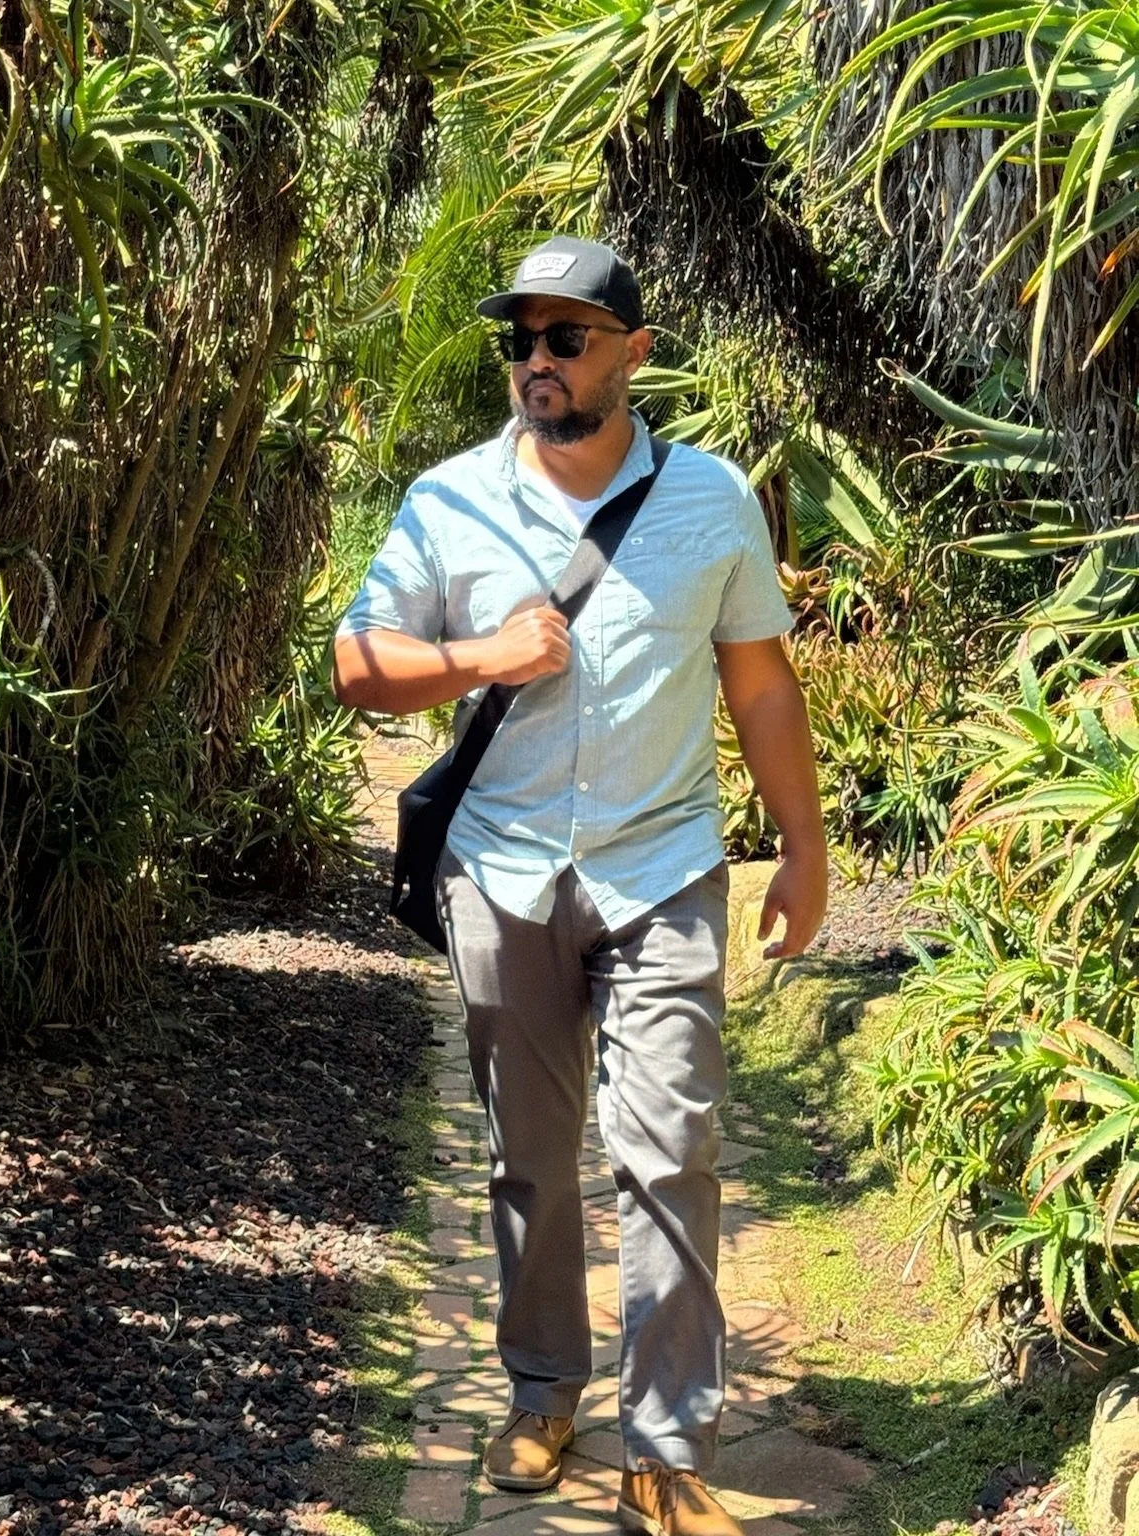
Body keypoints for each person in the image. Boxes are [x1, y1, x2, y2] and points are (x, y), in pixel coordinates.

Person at [332, 235, 827, 1536]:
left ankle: (668, 1450)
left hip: (661, 863)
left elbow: (762, 684)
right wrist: (482, 652)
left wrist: (806, 843)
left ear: (633, 352)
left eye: (565, 338)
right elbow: (357, 662)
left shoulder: (712, 501)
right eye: (521, 341)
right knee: (532, 1161)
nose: (535, 362)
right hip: (500, 872)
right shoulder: (447, 503)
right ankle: (545, 1393)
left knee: (672, 1150)